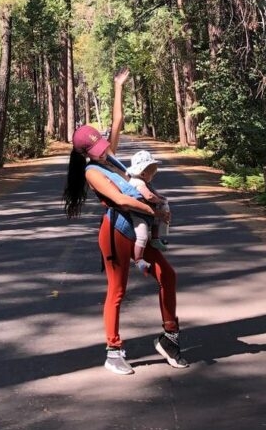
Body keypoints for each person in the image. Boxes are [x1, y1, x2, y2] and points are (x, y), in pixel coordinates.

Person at [63, 67, 188, 375]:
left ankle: (169, 337)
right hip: (116, 232)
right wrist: (154, 210)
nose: (104, 150)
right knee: (117, 291)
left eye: (103, 144)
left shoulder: (110, 155)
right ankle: (113, 350)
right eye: (97, 149)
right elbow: (120, 200)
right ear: (85, 154)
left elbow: (117, 121)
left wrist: (118, 86)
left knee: (168, 276)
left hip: (138, 228)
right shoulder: (92, 171)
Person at [127, 149, 170, 273]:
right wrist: (159, 201)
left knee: (158, 219)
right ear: (143, 173)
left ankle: (156, 238)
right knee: (142, 236)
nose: (153, 176)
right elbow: (149, 196)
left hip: (143, 212)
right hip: (138, 214)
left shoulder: (140, 180)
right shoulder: (139, 182)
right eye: (152, 173)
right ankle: (138, 259)